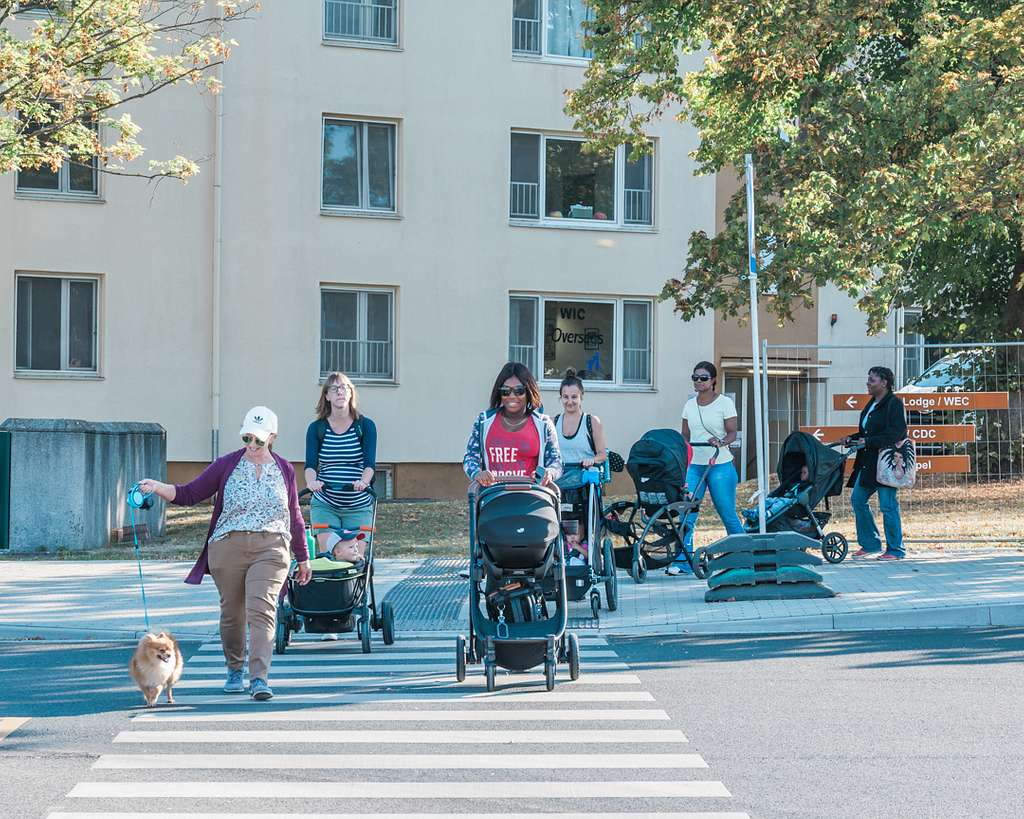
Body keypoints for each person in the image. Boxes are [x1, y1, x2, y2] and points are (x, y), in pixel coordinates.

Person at [137, 406, 312, 701]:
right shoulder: (227, 464)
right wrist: (157, 487)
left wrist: (303, 555)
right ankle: (234, 669)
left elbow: (293, 513)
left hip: (272, 546)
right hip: (227, 545)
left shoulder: (284, 469)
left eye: (258, 440)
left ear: (272, 436)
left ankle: (259, 679)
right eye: (247, 438)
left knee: (262, 609)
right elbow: (189, 493)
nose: (252, 445)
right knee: (232, 613)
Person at [303, 372, 377, 639]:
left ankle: (353, 606)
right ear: (326, 396)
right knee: (330, 555)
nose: (339, 392)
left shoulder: (364, 426)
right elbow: (310, 466)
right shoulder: (317, 428)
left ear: (351, 393)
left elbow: (369, 464)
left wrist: (363, 481)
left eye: (343, 388)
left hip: (358, 502)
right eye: (333, 389)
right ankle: (330, 616)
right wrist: (312, 482)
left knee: (355, 556)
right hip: (327, 502)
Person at [669, 361, 744, 576]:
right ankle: (683, 560)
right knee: (687, 513)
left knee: (726, 512)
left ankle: (742, 555)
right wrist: (681, 453)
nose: (699, 382)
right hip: (695, 466)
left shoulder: (724, 403)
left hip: (720, 464)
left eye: (703, 378)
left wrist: (721, 442)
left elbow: (732, 432)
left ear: (713, 381)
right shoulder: (689, 405)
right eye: (695, 378)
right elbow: (685, 436)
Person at [842, 366, 908, 560]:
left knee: (888, 505)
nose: (868, 383)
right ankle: (870, 543)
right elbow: (867, 433)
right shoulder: (872, 403)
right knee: (857, 499)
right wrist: (853, 438)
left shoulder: (894, 404)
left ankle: (895, 549)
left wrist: (868, 442)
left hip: (886, 463)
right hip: (868, 462)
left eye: (872, 380)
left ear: (884, 383)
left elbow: (897, 433)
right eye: (868, 379)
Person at [463, 361, 562, 488]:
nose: (512, 396)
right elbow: (470, 457)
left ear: (528, 391)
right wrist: (477, 473)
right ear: (499, 393)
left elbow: (556, 462)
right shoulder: (483, 421)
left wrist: (549, 473)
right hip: (493, 496)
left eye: (519, 391)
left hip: (532, 496)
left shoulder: (543, 424)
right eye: (505, 391)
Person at [553, 367, 608, 485]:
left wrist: (592, 460)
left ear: (581, 397)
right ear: (561, 398)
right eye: (565, 397)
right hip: (559, 481)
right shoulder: (553, 422)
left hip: (584, 482)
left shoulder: (592, 421)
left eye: (574, 397)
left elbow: (602, 455)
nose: (569, 401)